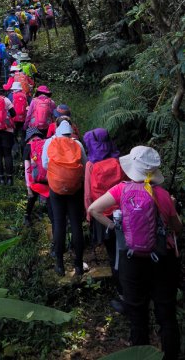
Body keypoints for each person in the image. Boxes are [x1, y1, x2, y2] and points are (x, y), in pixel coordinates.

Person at [88, 146, 182, 360]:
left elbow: (93, 209)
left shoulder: (121, 190)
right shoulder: (164, 195)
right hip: (162, 260)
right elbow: (177, 228)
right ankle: (171, 355)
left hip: (132, 260)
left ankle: (140, 354)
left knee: (137, 315)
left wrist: (113, 227)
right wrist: (173, 208)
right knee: (166, 314)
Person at [83, 128, 124, 302]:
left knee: (113, 254)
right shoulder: (120, 160)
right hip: (123, 214)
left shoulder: (91, 165)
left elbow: (87, 194)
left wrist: (89, 214)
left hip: (102, 216)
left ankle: (122, 293)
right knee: (126, 251)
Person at [42, 121, 87, 276]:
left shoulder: (49, 142)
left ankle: (60, 265)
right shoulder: (78, 144)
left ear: (57, 131)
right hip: (75, 189)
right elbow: (85, 166)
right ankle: (79, 265)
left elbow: (45, 164)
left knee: (59, 224)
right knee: (76, 225)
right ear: (71, 132)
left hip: (56, 190)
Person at [23, 127, 54, 229]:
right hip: (48, 178)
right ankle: (53, 221)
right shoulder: (47, 143)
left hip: (35, 179)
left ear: (29, 138)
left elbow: (27, 168)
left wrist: (28, 186)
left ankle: (27, 217)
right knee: (50, 200)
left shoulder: (28, 147)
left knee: (32, 197)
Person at [6, 81, 31, 151]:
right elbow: (30, 106)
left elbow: (7, 107)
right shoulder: (26, 95)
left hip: (14, 119)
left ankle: (15, 149)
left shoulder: (10, 95)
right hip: (23, 118)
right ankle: (23, 154)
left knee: (13, 135)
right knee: (23, 135)